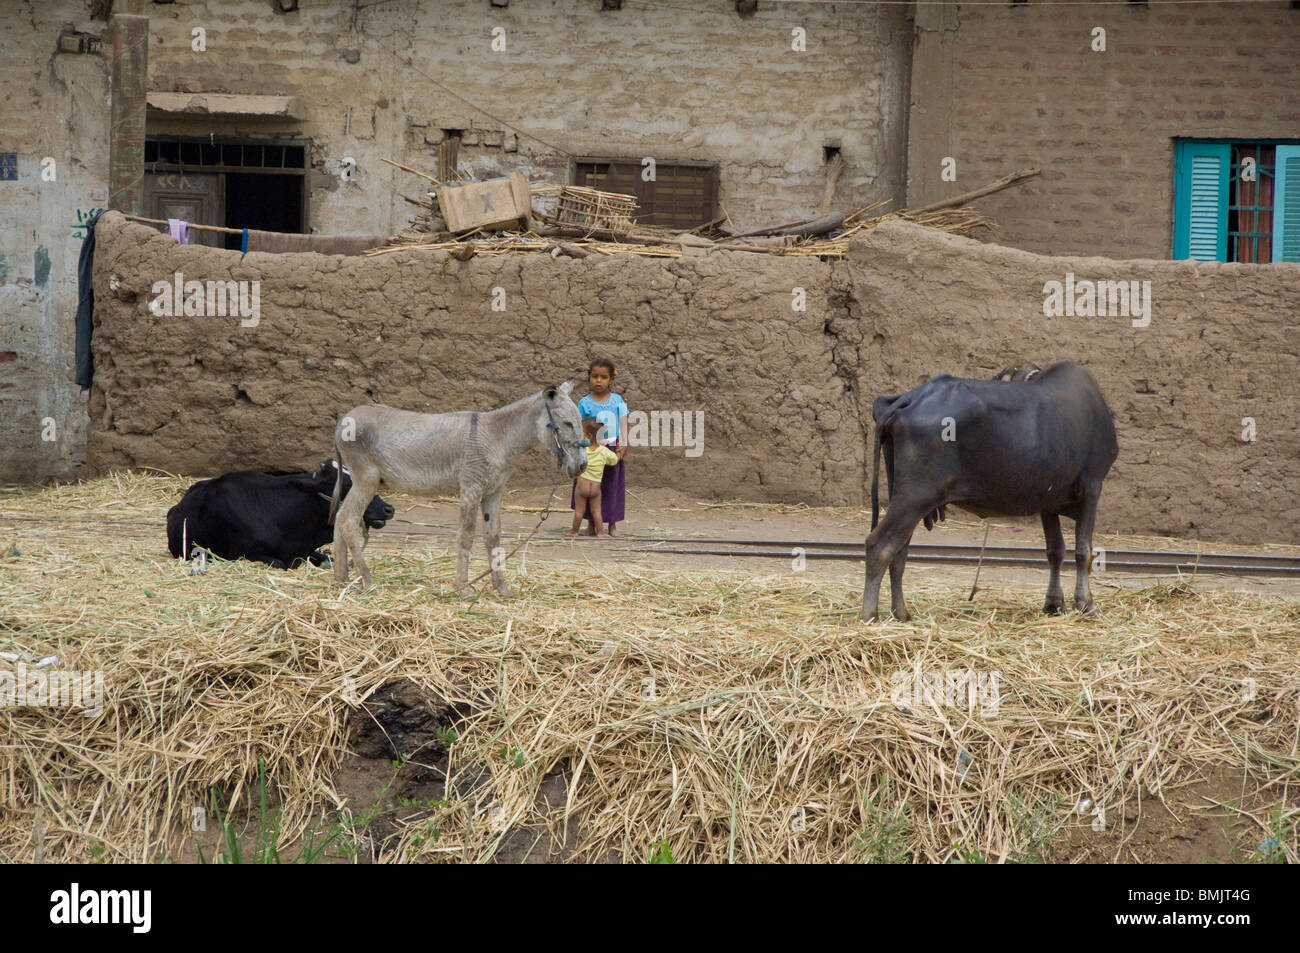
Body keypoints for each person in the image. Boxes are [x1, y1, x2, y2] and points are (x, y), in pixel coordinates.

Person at [573, 358, 628, 535]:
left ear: (611, 380)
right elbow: (580, 428)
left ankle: (611, 524)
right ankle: (591, 524)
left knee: (610, 486)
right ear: (589, 378)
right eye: (595, 376)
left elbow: (623, 423)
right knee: (588, 486)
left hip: (612, 449)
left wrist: (624, 443)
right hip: (590, 450)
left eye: (603, 377)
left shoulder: (617, 400)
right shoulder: (584, 403)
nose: (599, 380)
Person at [566, 418, 620, 538]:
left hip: (581, 488)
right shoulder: (603, 451)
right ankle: (600, 532)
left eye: (582, 433)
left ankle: (574, 531)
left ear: (589, 436)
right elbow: (614, 461)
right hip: (596, 488)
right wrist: (619, 453)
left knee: (579, 511)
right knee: (596, 511)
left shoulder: (581, 451)